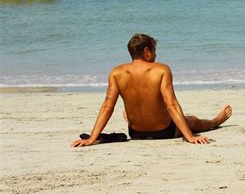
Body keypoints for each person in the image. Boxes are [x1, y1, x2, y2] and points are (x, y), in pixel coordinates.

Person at [71, 33, 232, 147]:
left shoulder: (116, 72)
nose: (156, 54)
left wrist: (92, 138)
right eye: (154, 50)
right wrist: (189, 136)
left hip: (135, 133)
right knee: (192, 120)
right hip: (164, 131)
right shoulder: (161, 69)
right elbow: (171, 105)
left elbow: (107, 107)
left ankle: (139, 118)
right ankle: (215, 121)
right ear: (147, 51)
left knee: (134, 110)